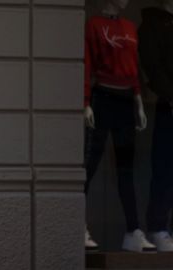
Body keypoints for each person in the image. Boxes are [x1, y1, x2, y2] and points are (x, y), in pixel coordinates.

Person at [83, 0, 155, 252]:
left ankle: (133, 230)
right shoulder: (94, 25)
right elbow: (87, 63)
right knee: (90, 164)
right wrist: (86, 102)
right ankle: (79, 223)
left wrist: (138, 102)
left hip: (126, 100)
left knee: (126, 168)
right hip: (103, 97)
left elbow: (133, 66)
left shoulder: (129, 27)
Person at [138, 0, 173, 252]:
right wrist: (170, 95)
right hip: (167, 105)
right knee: (164, 168)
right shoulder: (152, 25)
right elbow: (153, 66)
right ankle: (158, 227)